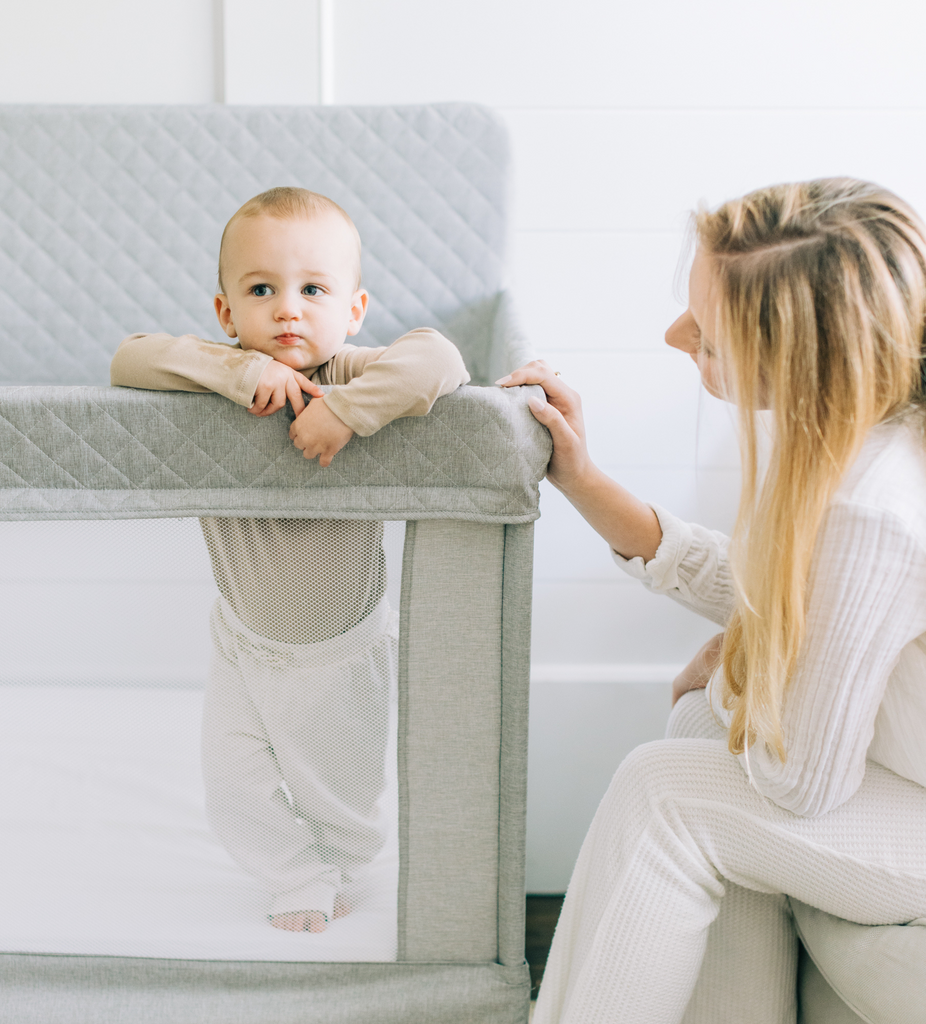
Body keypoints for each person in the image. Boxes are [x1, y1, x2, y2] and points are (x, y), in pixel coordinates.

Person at [499, 178, 926, 1023]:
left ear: (797, 363)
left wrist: (736, 670)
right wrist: (583, 481)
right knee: (698, 734)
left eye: (708, 337)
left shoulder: (872, 505)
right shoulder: (872, 435)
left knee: (668, 788)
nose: (673, 336)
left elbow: (800, 784)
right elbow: (796, 599)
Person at [111, 186, 468, 933]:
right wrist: (240, 374)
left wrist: (348, 412)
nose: (287, 310)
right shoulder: (217, 374)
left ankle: (336, 859)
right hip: (240, 637)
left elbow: (443, 357)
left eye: (314, 290)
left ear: (355, 310)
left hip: (340, 649)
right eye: (261, 289)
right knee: (231, 781)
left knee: (340, 795)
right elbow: (128, 357)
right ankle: (293, 872)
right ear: (225, 312)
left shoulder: (354, 376)